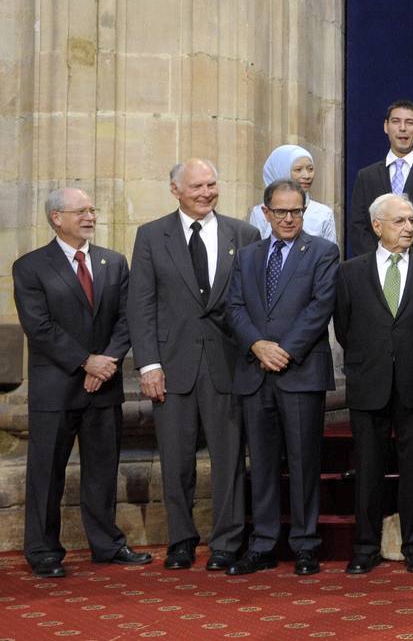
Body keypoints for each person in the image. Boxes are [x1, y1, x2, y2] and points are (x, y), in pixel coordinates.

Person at [12, 189, 152, 577]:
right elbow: (39, 327)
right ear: (57, 217)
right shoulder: (30, 266)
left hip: (104, 386)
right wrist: (85, 361)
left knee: (102, 471)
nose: (90, 216)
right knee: (46, 473)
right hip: (56, 388)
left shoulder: (113, 262)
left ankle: (106, 544)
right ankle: (42, 551)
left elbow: (128, 319)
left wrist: (105, 363)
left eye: (92, 210)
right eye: (81, 211)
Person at [129, 158, 256, 571]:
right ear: (175, 190)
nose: (206, 193)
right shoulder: (151, 236)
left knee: (229, 458)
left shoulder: (245, 233)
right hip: (172, 364)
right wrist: (148, 365)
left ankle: (227, 541)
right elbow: (141, 305)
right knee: (176, 459)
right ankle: (181, 540)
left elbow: (251, 303)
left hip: (228, 365)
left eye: (212, 184)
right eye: (197, 186)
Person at [224, 179, 340, 576]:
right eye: (281, 211)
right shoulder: (248, 255)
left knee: (305, 462)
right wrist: (258, 345)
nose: (289, 218)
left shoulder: (323, 252)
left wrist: (284, 350)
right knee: (264, 463)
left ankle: (306, 544)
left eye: (296, 211)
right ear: (266, 213)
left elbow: (320, 306)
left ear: (304, 213)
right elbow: (233, 307)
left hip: (300, 371)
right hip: (256, 372)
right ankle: (263, 544)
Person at [334, 193, 413, 575]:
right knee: (368, 469)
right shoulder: (350, 272)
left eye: (412, 220)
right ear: (377, 226)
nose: (409, 228)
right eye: (399, 221)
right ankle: (366, 546)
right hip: (370, 382)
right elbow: (344, 328)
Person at [348, 99, 413, 256]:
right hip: (375, 271)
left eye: (409, 122)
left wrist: (411, 263)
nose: (402, 128)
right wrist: (379, 261)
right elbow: (358, 226)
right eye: (396, 122)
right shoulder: (366, 176)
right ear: (386, 126)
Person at [247, 144, 338, 245]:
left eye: (310, 169)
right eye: (298, 170)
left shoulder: (323, 214)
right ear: (281, 171)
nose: (307, 176)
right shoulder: (260, 213)